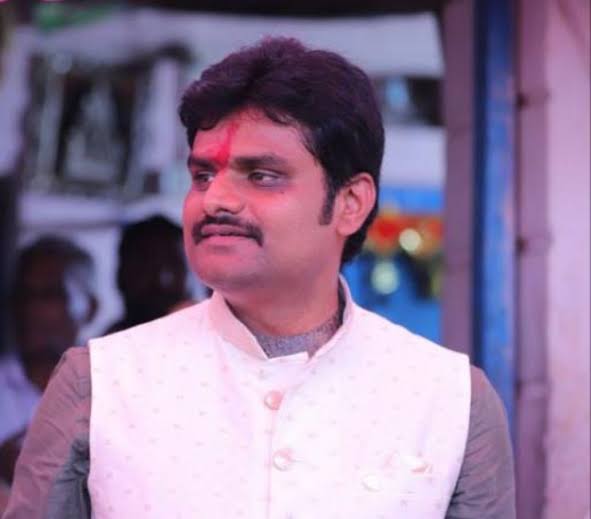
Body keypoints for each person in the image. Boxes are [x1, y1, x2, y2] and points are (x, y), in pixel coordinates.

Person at [4, 38, 515, 518]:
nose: (216, 199)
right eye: (203, 175)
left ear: (350, 203)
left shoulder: (450, 401)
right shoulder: (98, 383)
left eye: (262, 176)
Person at [0, 236, 97, 489]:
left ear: (90, 308)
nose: (32, 309)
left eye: (51, 295)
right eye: (25, 295)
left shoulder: (113, 388)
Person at [104, 214, 193, 334]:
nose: (162, 279)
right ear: (122, 275)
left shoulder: (207, 332)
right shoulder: (110, 341)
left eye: (174, 264)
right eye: (147, 264)